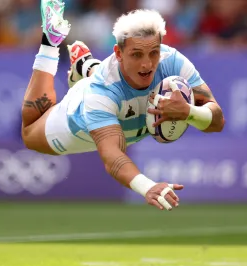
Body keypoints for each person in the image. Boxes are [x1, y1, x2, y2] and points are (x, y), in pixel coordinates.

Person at [21, 0, 225, 211]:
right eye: (136, 54)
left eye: (153, 53)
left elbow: (217, 121)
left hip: (116, 99)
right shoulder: (101, 93)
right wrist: (147, 187)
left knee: (120, 82)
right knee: (29, 133)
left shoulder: (173, 62)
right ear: (118, 53)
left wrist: (189, 112)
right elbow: (113, 157)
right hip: (79, 124)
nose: (147, 64)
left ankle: (87, 66)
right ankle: (50, 43)